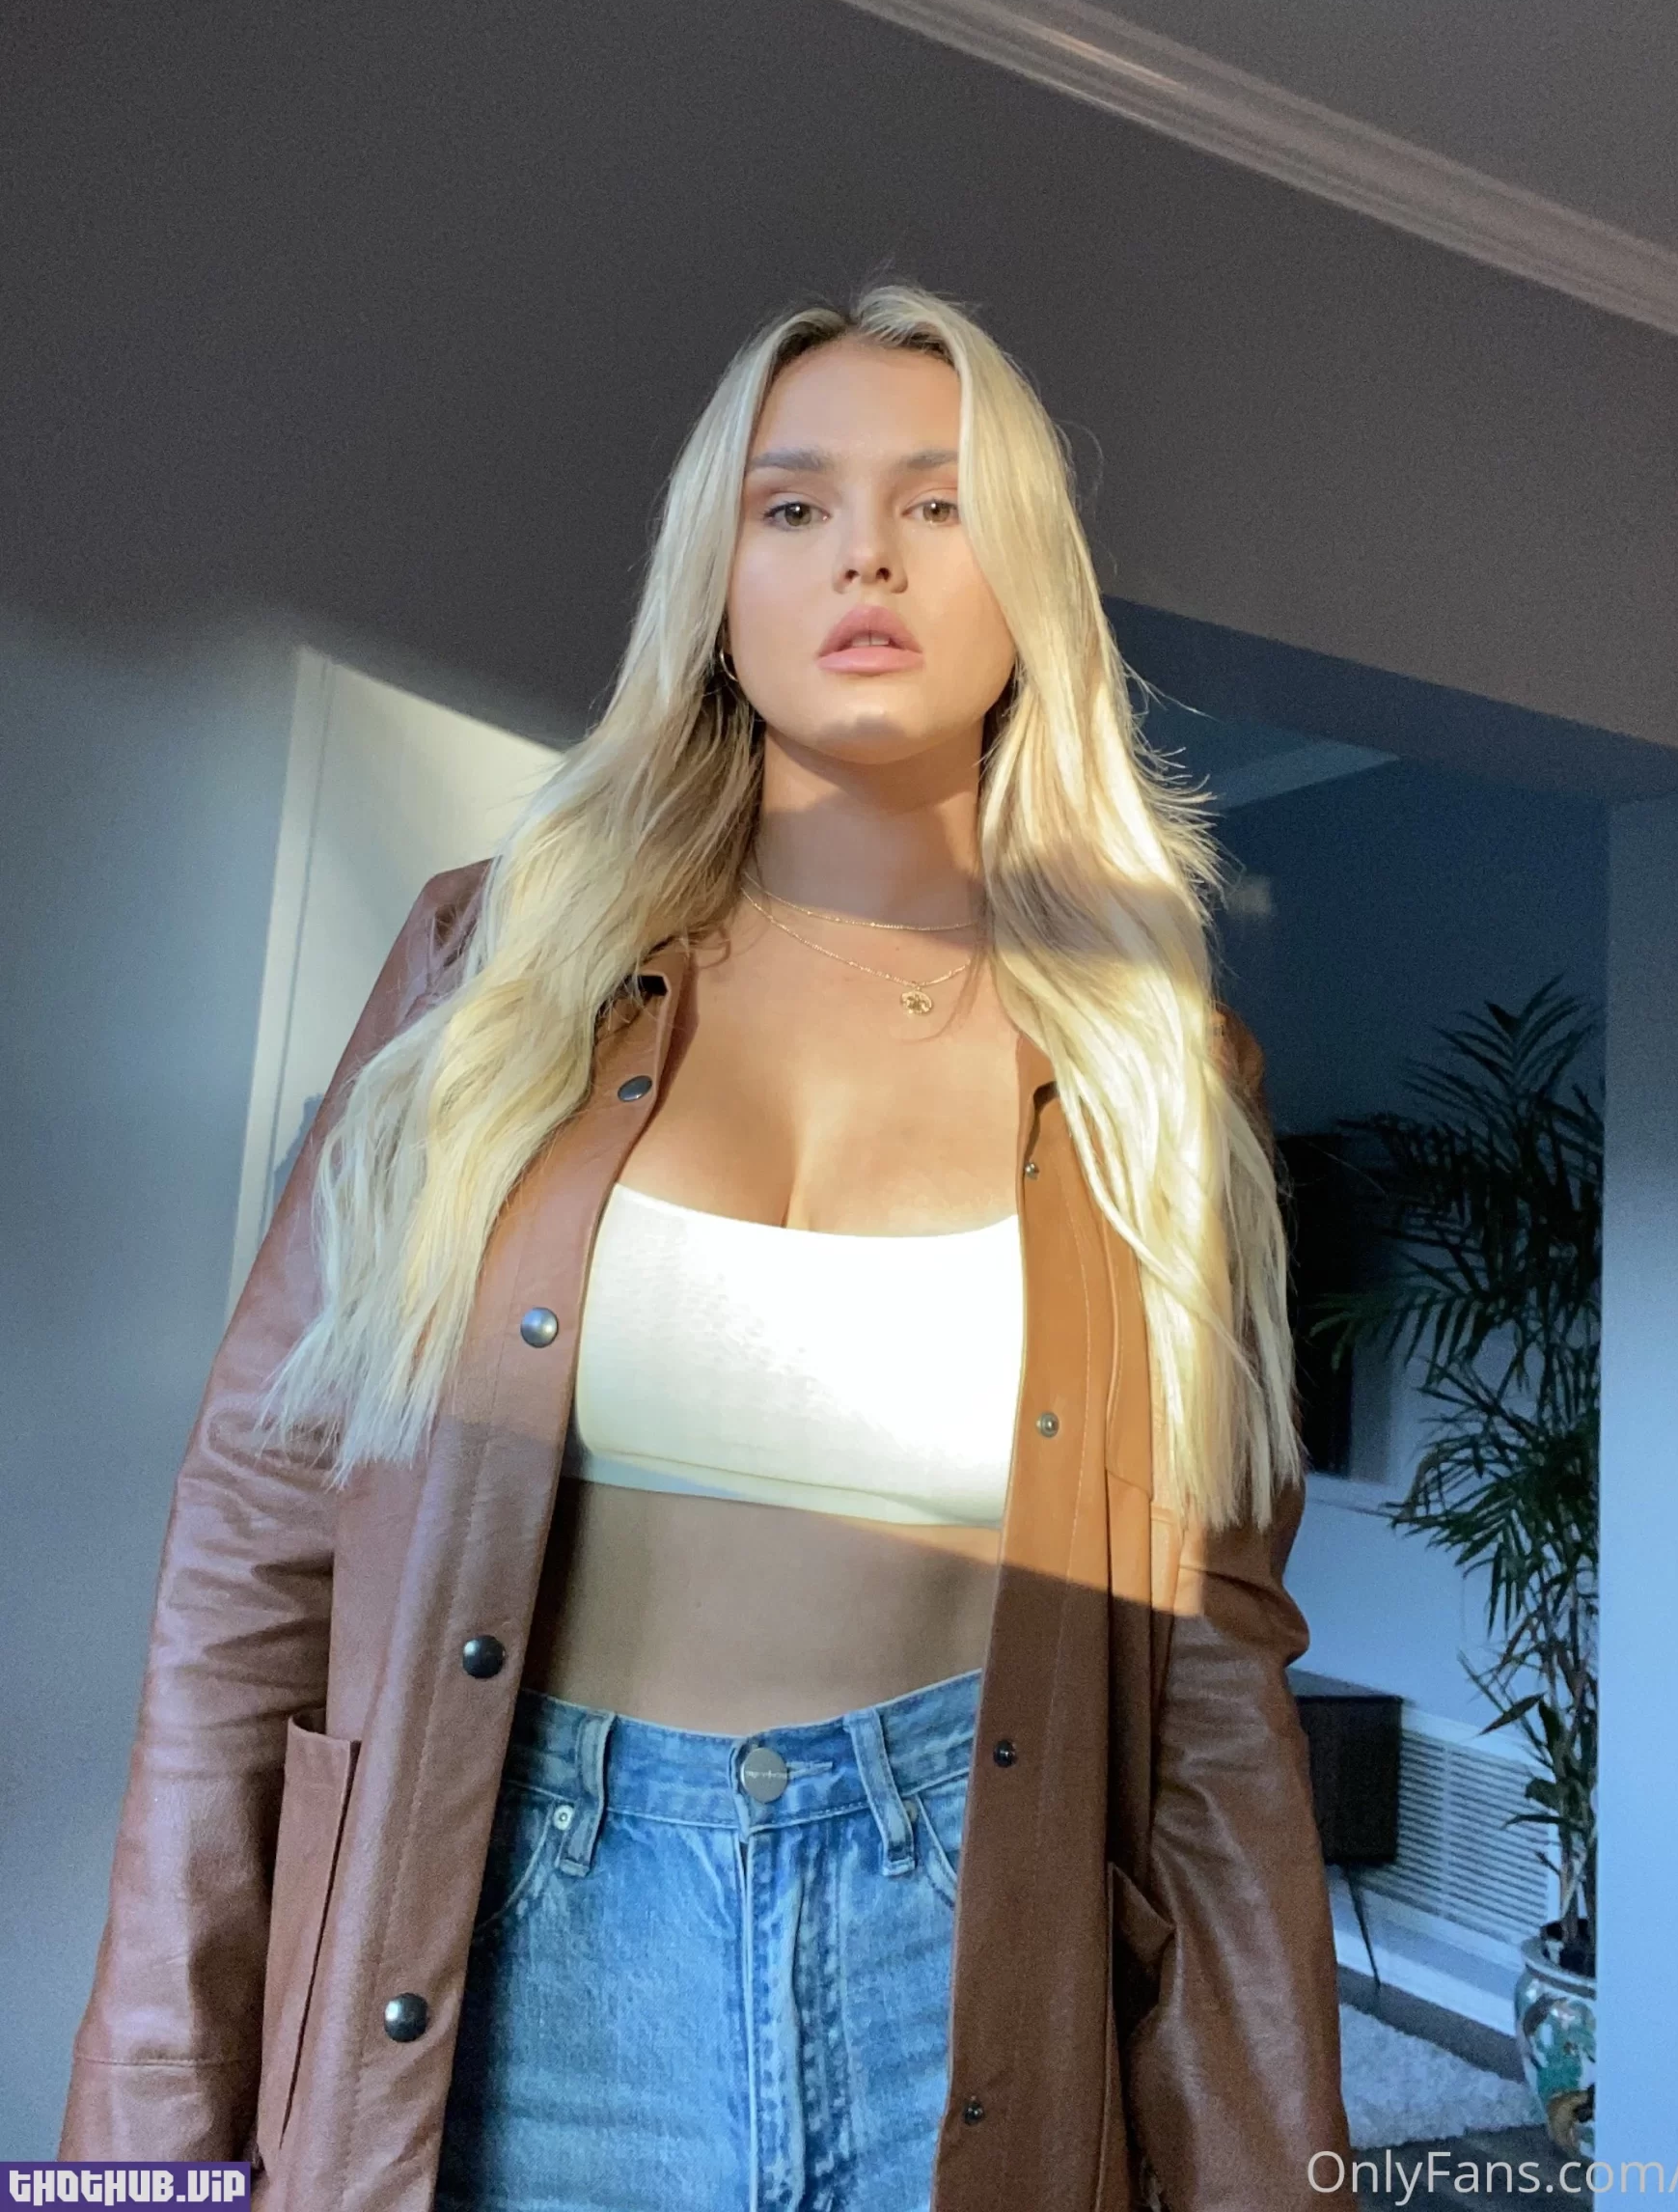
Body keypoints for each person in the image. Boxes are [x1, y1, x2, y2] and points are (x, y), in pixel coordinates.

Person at [63, 285, 1356, 2210]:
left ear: (1030, 586)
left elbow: (1215, 1684)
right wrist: (134, 2167)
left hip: (968, 1968)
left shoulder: (1161, 1075)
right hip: (517, 1954)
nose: (866, 555)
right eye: (794, 505)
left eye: (939, 503)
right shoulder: (487, 971)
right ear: (718, 586)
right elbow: (251, 1554)